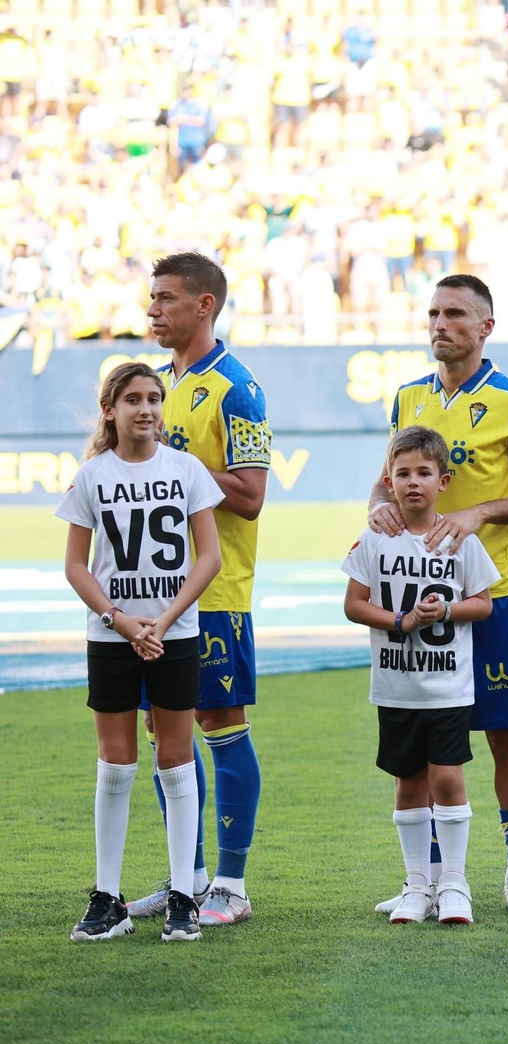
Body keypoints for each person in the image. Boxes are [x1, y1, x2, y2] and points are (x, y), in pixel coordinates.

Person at [372, 274, 508, 916]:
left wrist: (480, 512)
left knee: (507, 736)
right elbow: (385, 482)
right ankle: (425, 881)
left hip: (495, 595)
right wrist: (378, 508)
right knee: (424, 741)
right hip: (415, 601)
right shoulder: (406, 399)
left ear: (485, 326)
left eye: (454, 313)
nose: (439, 323)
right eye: (432, 312)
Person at [58, 362, 223, 941]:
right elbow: (76, 565)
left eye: (154, 398)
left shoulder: (186, 469)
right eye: (133, 399)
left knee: (176, 757)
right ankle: (109, 897)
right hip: (111, 637)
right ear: (111, 409)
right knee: (115, 762)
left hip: (172, 635)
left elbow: (210, 557)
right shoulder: (91, 475)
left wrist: (164, 619)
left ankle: (184, 895)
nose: (146, 408)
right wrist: (121, 621)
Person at [129, 253, 270, 928]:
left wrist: (172, 464)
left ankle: (232, 883)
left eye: (164, 299)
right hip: (151, 593)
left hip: (213, 593)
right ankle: (185, 875)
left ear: (204, 305)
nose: (152, 310)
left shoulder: (237, 388)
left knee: (219, 724)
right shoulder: (156, 384)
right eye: (151, 299)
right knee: (164, 730)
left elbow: (250, 493)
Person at [344, 427, 497, 924]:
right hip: (396, 686)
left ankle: (454, 882)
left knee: (449, 779)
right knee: (408, 782)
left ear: (443, 481)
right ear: (388, 480)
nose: (413, 483)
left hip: (448, 685)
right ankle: (416, 884)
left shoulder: (458, 540)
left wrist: (447, 610)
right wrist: (401, 622)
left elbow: (484, 603)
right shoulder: (374, 539)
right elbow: (353, 604)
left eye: (424, 473)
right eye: (403, 473)